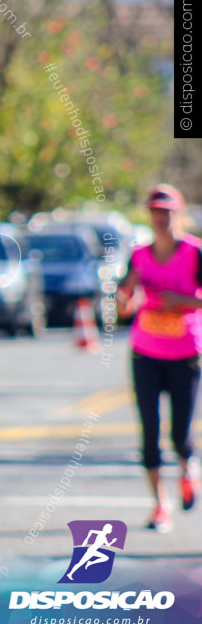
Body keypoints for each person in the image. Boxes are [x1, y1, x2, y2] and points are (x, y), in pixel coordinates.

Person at [116, 184, 202, 533]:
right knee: (148, 433)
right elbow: (123, 307)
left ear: (177, 214)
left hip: (185, 355)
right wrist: (125, 296)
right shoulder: (138, 256)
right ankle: (159, 505)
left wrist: (180, 301)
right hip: (145, 354)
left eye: (166, 211)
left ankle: (187, 469)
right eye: (154, 211)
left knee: (179, 434)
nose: (160, 218)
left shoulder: (195, 252)